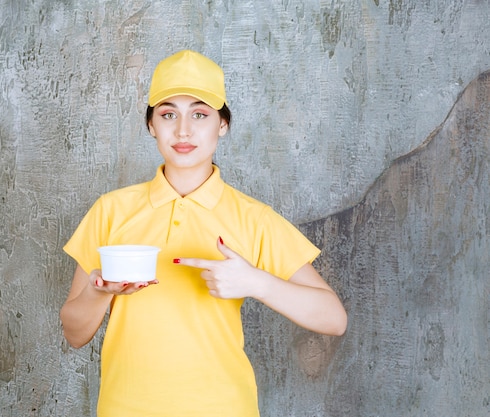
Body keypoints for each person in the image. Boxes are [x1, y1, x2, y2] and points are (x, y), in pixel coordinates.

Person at [60, 50, 347, 417]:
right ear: (151, 125)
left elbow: (333, 319)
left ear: (222, 124)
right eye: (168, 115)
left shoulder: (253, 218)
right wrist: (99, 293)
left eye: (199, 114)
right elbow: (74, 333)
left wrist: (255, 282)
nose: (183, 130)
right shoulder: (111, 210)